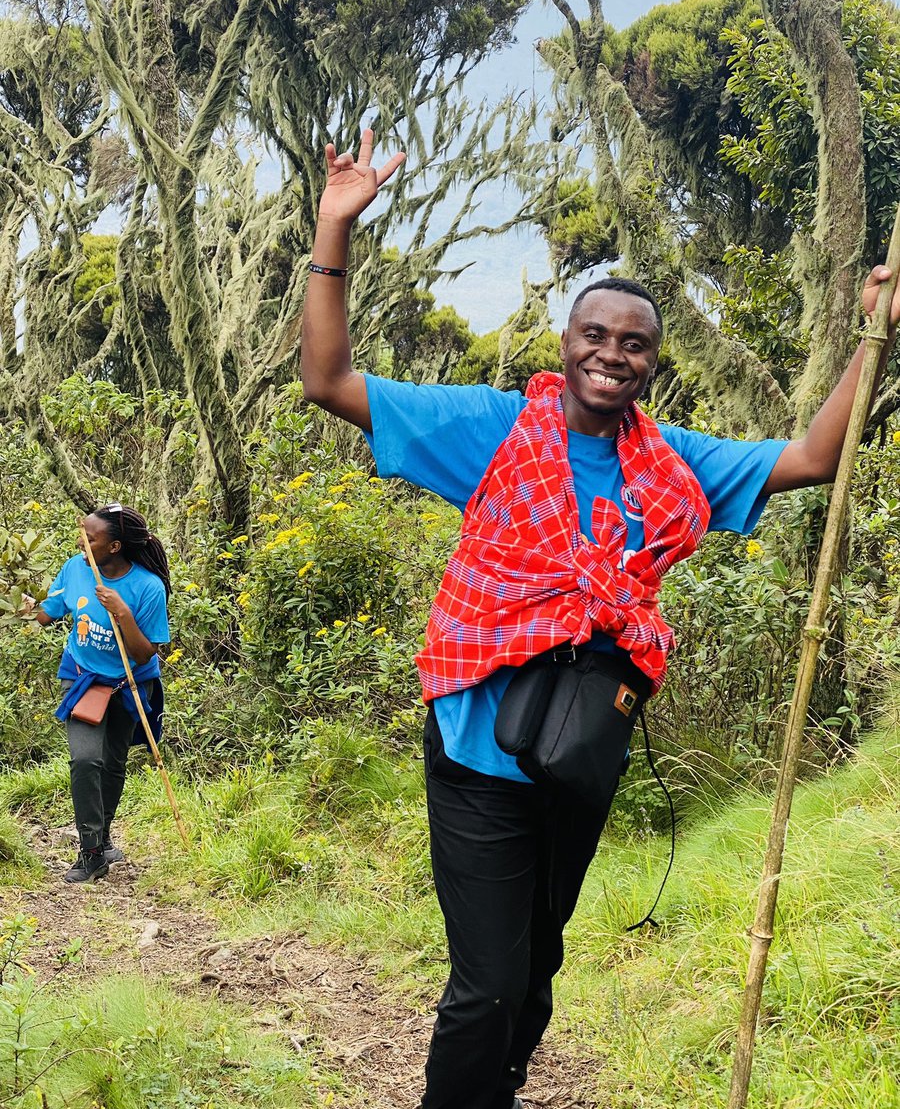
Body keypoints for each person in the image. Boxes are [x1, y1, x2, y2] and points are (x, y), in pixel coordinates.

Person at [300, 130, 900, 1109]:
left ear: (653, 364)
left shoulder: (671, 468)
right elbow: (328, 381)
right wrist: (335, 228)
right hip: (477, 753)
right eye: (596, 336)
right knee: (486, 984)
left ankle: (495, 1091)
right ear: (566, 344)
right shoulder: (495, 434)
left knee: (534, 975)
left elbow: (812, 459)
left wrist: (878, 332)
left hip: (583, 757)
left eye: (634, 344)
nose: (612, 356)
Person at [28, 504, 171, 884]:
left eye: (91, 538)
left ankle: (103, 835)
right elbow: (48, 613)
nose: (82, 541)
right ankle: (91, 851)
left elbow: (143, 653)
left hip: (129, 684)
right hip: (82, 679)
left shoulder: (147, 588)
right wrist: (26, 606)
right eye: (83, 534)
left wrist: (122, 611)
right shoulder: (75, 567)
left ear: (114, 546)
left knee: (112, 764)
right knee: (86, 760)